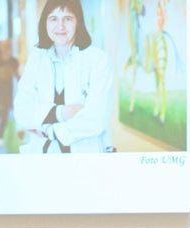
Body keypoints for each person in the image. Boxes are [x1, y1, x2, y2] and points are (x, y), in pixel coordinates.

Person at [13, 0, 114, 154]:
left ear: (78, 22)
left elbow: (96, 119)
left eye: (67, 19)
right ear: (45, 23)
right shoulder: (36, 59)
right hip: (42, 156)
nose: (60, 26)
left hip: (85, 155)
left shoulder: (97, 59)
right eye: (53, 19)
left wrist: (50, 131)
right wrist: (62, 112)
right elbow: (21, 112)